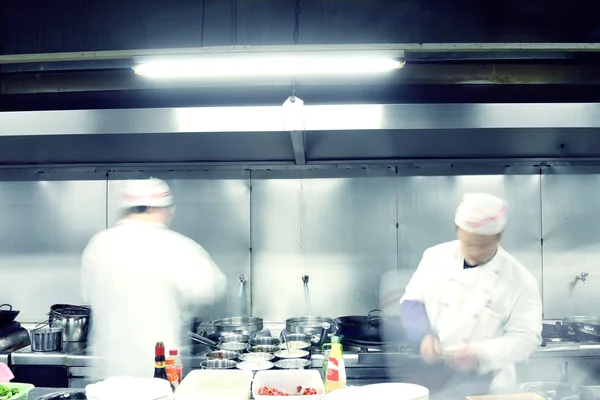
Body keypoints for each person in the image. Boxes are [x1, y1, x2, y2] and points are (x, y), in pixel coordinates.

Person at [81, 177, 227, 381]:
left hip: (108, 375)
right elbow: (212, 287)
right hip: (155, 376)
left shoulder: (98, 245)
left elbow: (90, 298)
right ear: (165, 210)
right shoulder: (176, 247)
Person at [400, 193, 542, 398]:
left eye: (483, 245)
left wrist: (480, 354)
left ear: (499, 237)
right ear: (458, 232)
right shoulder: (434, 256)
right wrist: (422, 336)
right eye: (468, 243)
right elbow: (411, 301)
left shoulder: (520, 280)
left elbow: (526, 338)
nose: (474, 252)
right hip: (434, 375)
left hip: (488, 384)